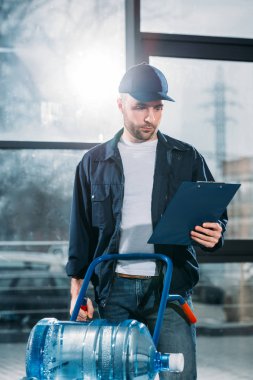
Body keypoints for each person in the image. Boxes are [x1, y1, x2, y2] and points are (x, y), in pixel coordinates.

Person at [66, 62, 227, 379]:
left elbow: (215, 217)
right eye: (140, 107)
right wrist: (77, 288)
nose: (150, 117)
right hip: (114, 292)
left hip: (170, 291)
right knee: (116, 375)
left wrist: (216, 232)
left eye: (157, 108)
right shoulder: (93, 163)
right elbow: (81, 231)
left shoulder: (187, 158)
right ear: (120, 104)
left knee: (178, 375)